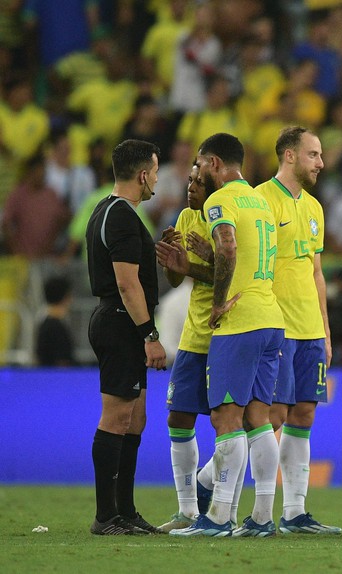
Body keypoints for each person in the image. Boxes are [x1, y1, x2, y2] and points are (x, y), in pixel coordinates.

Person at [170, 133, 284, 537]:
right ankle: (263, 517)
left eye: (200, 164)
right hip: (272, 317)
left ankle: (218, 518)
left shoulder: (222, 200)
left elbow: (230, 248)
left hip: (240, 320)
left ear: (215, 163)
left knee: (225, 418)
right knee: (259, 419)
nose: (197, 171)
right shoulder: (262, 200)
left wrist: (218, 302)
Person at [255, 126, 341, 535]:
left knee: (304, 413)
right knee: (272, 415)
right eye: (313, 155)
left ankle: (294, 512)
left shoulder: (314, 208)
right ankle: (214, 488)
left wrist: (325, 332)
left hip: (308, 329)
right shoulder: (261, 200)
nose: (321, 163)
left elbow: (317, 273)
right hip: (275, 326)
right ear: (289, 156)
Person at [85, 139, 167, 535]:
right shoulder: (121, 215)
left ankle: (126, 511)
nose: (157, 179)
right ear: (142, 174)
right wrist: (149, 334)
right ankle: (106, 517)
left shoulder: (109, 209)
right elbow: (126, 282)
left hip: (119, 322)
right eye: (155, 171)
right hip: (122, 323)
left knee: (135, 419)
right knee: (117, 418)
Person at [153, 163, 221, 532]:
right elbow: (177, 278)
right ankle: (187, 511)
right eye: (189, 181)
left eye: (197, 182)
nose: (190, 187)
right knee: (178, 416)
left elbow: (233, 273)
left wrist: (202, 262)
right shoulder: (185, 217)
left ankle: (211, 489)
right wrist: (172, 258)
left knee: (233, 423)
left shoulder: (226, 217)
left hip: (229, 332)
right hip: (194, 335)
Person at [35, 275, 76, 366]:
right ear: (65, 298)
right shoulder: (56, 327)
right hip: (57, 377)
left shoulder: (44, 323)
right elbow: (62, 361)